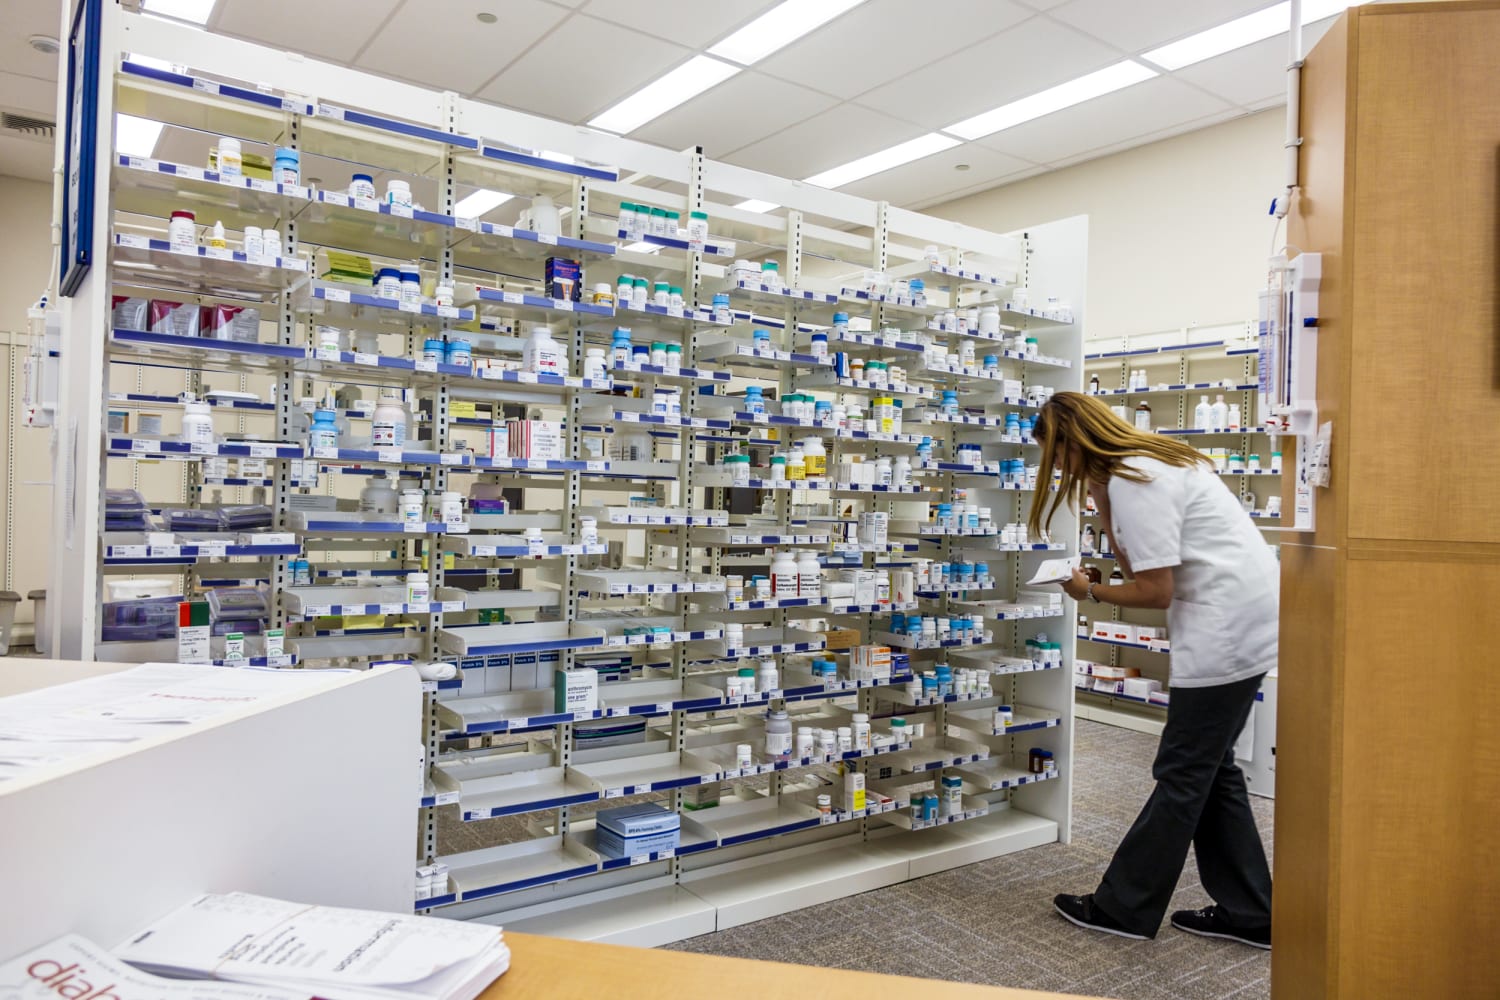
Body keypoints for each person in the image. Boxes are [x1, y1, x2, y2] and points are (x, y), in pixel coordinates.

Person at [1030, 392, 1277, 949]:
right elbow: (1141, 563)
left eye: (1056, 456)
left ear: (1071, 442)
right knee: (1212, 771)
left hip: (1225, 627)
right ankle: (1253, 912)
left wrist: (1086, 590)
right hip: (1245, 613)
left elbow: (1154, 590)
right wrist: (1101, 502)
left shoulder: (1134, 481)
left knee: (1183, 770)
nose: (1060, 469)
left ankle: (1123, 907)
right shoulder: (1145, 466)